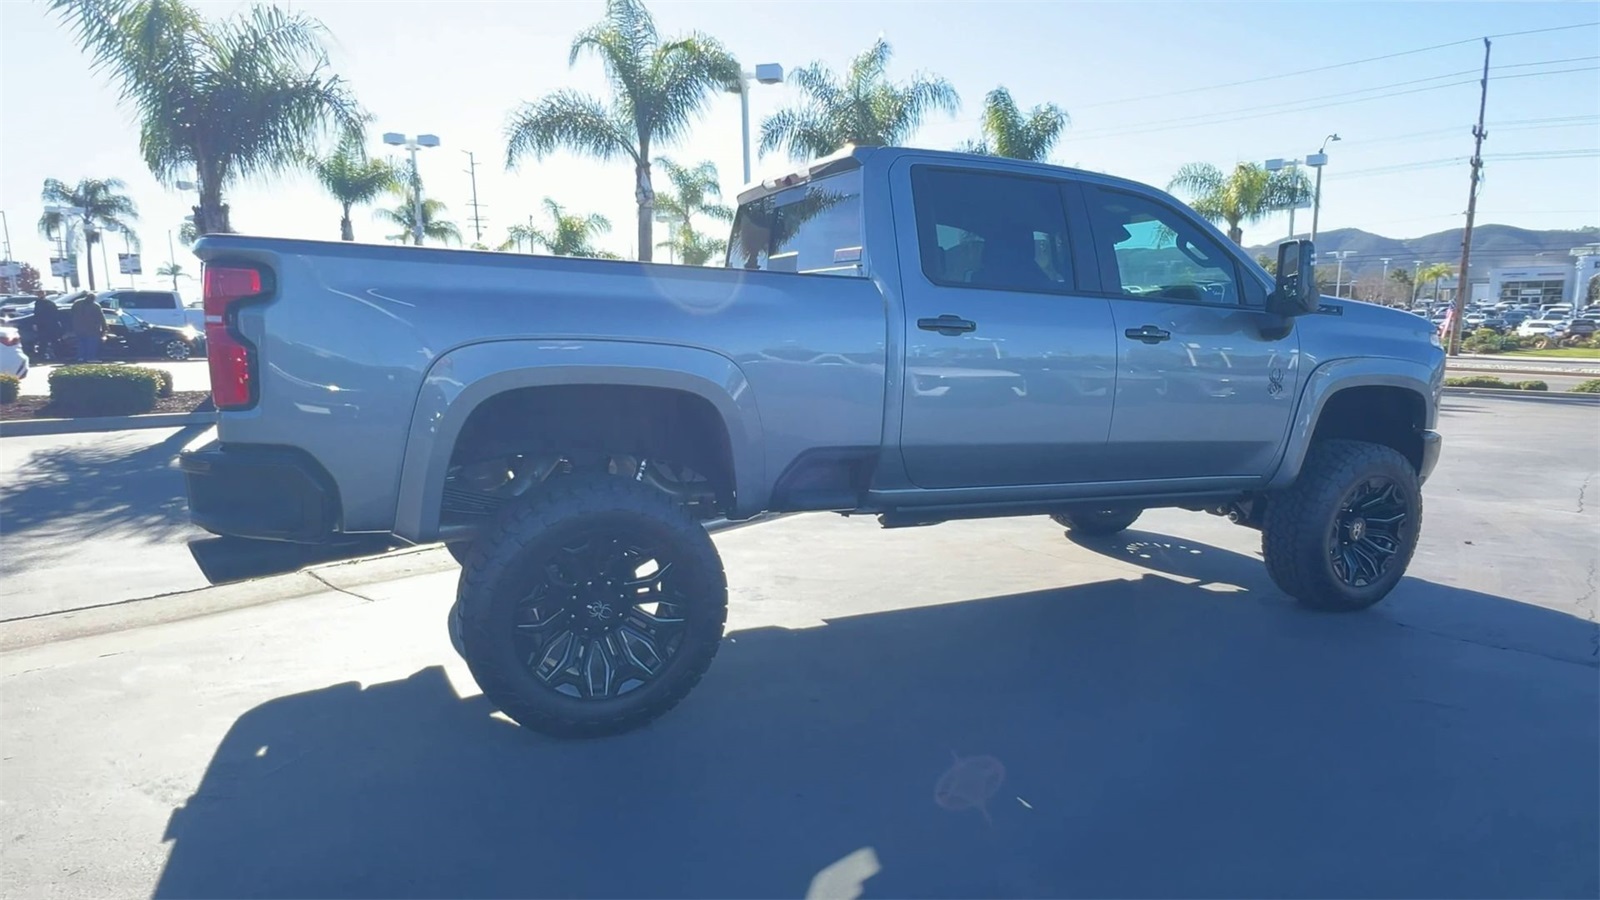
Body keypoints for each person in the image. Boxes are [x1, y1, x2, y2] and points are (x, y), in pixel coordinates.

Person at [70, 292, 105, 362]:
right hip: (92, 329)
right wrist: (104, 328)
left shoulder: (77, 303)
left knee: (81, 343)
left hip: (79, 328)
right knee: (92, 344)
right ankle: (90, 357)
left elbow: (71, 313)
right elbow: (101, 318)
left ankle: (81, 357)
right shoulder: (95, 306)